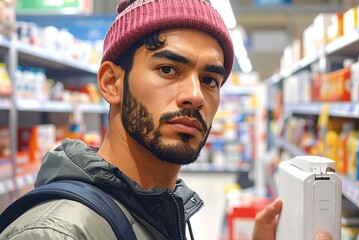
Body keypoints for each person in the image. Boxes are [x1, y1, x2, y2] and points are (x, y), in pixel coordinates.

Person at [0, 0, 332, 239]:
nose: (196, 95)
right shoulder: (56, 233)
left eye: (210, 80)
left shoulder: (163, 208)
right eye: (168, 69)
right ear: (112, 83)